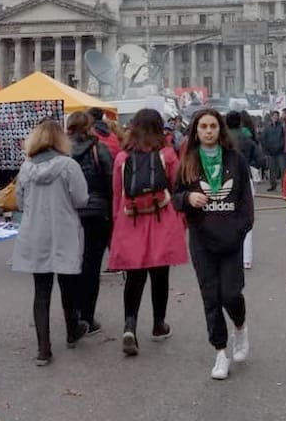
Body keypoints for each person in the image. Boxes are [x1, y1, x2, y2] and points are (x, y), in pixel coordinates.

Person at [172, 108, 254, 380]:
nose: (208, 131)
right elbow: (175, 196)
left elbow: (245, 200)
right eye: (203, 126)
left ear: (220, 130)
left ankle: (240, 327)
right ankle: (220, 352)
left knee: (230, 294)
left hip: (231, 238)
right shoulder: (188, 161)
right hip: (202, 239)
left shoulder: (236, 159)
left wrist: (241, 228)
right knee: (211, 297)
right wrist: (187, 200)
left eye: (213, 126)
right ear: (196, 131)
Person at [107, 108, 188, 357]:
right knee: (159, 275)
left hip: (131, 221)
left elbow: (117, 194)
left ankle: (129, 325)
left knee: (134, 277)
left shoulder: (122, 158)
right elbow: (177, 187)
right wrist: (181, 221)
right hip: (161, 218)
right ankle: (158, 324)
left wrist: (117, 223)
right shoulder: (167, 154)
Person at [12, 118, 90, 365]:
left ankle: (43, 350)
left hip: (35, 233)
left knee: (41, 291)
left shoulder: (25, 168)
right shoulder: (69, 166)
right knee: (68, 286)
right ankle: (71, 331)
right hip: (64, 231)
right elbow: (81, 199)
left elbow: (20, 203)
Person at [67, 111, 113, 334]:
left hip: (69, 214)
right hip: (96, 213)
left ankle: (72, 313)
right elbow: (111, 182)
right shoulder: (99, 148)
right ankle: (88, 316)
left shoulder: (61, 151)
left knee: (71, 264)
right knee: (91, 266)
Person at [225, 111, 258, 269]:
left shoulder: (222, 140)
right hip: (246, 179)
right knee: (247, 217)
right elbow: (260, 159)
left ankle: (229, 255)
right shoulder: (247, 139)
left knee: (225, 216)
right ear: (240, 122)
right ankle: (247, 258)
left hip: (225, 180)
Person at [261, 110, 286, 192]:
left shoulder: (281, 127)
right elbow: (263, 139)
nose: (275, 117)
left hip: (280, 151)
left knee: (283, 169)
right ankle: (273, 185)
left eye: (277, 116)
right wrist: (266, 149)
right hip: (271, 151)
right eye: (274, 116)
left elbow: (284, 138)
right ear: (271, 117)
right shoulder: (267, 128)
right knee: (272, 169)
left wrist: (281, 146)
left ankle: (284, 185)